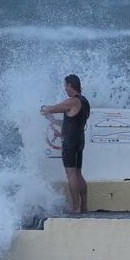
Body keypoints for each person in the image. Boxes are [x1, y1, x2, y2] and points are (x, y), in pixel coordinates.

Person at [40, 74, 91, 213]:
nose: (65, 89)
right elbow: (71, 122)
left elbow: (53, 108)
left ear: (69, 85)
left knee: (71, 174)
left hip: (70, 141)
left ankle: (76, 207)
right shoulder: (84, 102)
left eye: (65, 86)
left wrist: (44, 109)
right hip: (80, 139)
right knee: (78, 173)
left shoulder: (73, 101)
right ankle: (84, 206)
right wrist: (53, 121)